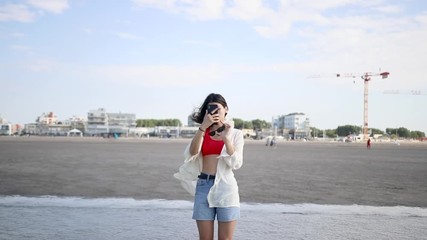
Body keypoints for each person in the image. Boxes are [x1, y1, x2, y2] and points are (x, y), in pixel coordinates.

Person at [174, 93, 244, 240]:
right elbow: (191, 153)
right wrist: (202, 128)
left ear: (226, 109)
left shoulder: (236, 134)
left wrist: (226, 139)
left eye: (217, 108)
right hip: (203, 186)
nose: (214, 112)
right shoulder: (202, 132)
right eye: (210, 109)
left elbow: (236, 163)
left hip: (226, 188)